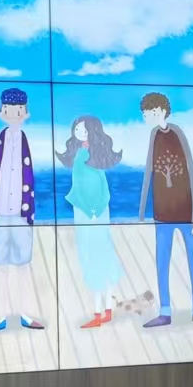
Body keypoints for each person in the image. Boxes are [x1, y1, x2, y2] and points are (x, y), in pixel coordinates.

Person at [137, 94, 193, 328]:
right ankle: (165, 311)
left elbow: (191, 174)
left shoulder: (178, 133)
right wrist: (142, 210)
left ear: (161, 111)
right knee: (162, 263)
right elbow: (149, 171)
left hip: (185, 212)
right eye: (145, 115)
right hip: (162, 214)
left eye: (149, 113)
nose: (146, 118)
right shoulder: (153, 135)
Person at [0, 87, 45, 332]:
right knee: (1, 267)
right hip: (0, 213)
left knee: (22, 266)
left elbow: (29, 177)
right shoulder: (0, 141)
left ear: (25, 113)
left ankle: (24, 314)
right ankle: (0, 315)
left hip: (21, 214)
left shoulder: (24, 140)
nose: (14, 114)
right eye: (9, 110)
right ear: (1, 112)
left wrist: (29, 214)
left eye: (19, 110)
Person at [58, 116, 125, 327]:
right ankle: (103, 310)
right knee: (93, 256)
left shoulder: (91, 154)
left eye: (84, 130)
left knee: (97, 257)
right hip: (85, 212)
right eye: (77, 129)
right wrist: (89, 207)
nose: (80, 133)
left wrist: (95, 208)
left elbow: (100, 187)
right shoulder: (81, 153)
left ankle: (101, 312)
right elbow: (82, 185)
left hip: (93, 213)